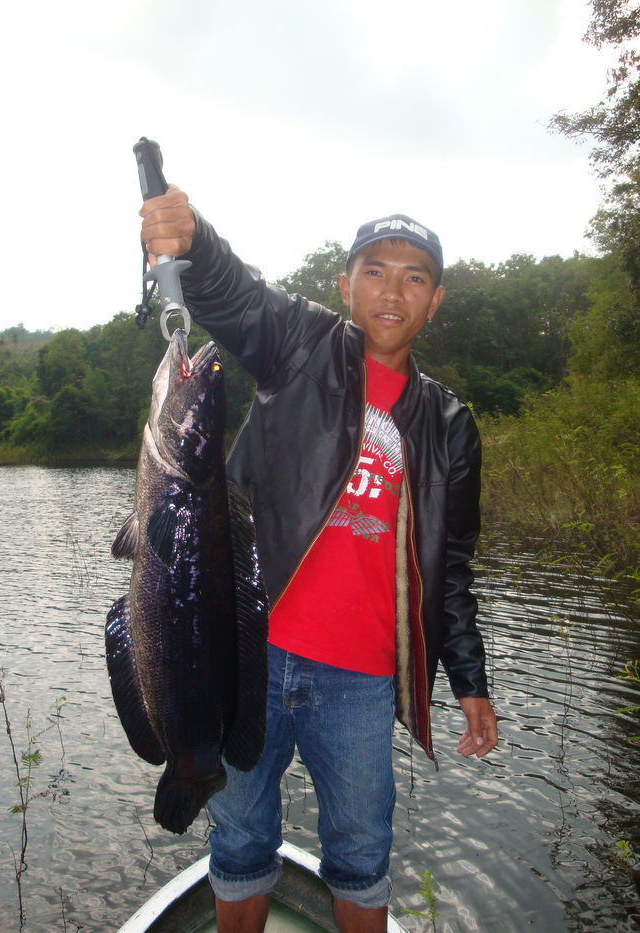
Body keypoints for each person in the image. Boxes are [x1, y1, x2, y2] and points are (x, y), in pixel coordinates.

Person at [140, 187, 498, 933]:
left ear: (436, 300)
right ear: (345, 284)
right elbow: (234, 294)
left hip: (362, 683)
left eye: (415, 276)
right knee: (238, 843)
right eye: (375, 270)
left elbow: (451, 567)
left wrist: (469, 679)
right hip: (251, 663)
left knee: (363, 858)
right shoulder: (299, 345)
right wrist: (192, 237)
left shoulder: (449, 423)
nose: (392, 290)